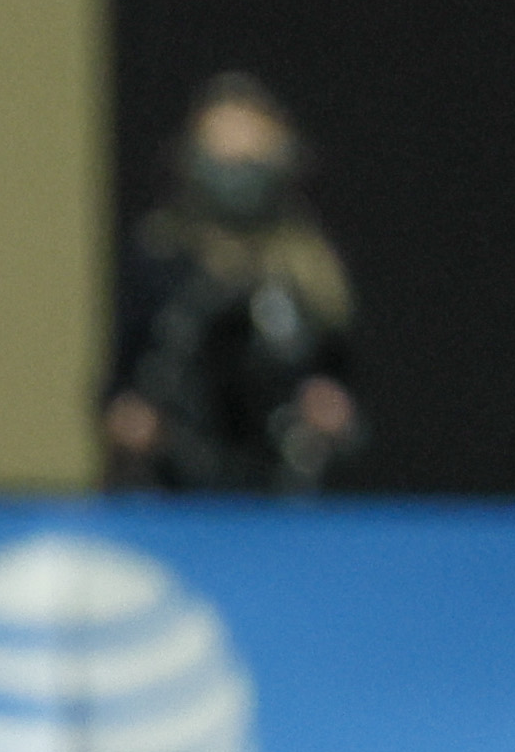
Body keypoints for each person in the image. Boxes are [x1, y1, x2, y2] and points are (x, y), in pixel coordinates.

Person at [102, 75, 360, 493]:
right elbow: (121, 380)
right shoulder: (161, 256)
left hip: (284, 490)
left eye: (249, 161)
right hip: (174, 485)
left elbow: (341, 376)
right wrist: (131, 419)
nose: (236, 179)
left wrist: (331, 410)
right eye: (222, 160)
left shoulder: (311, 269)